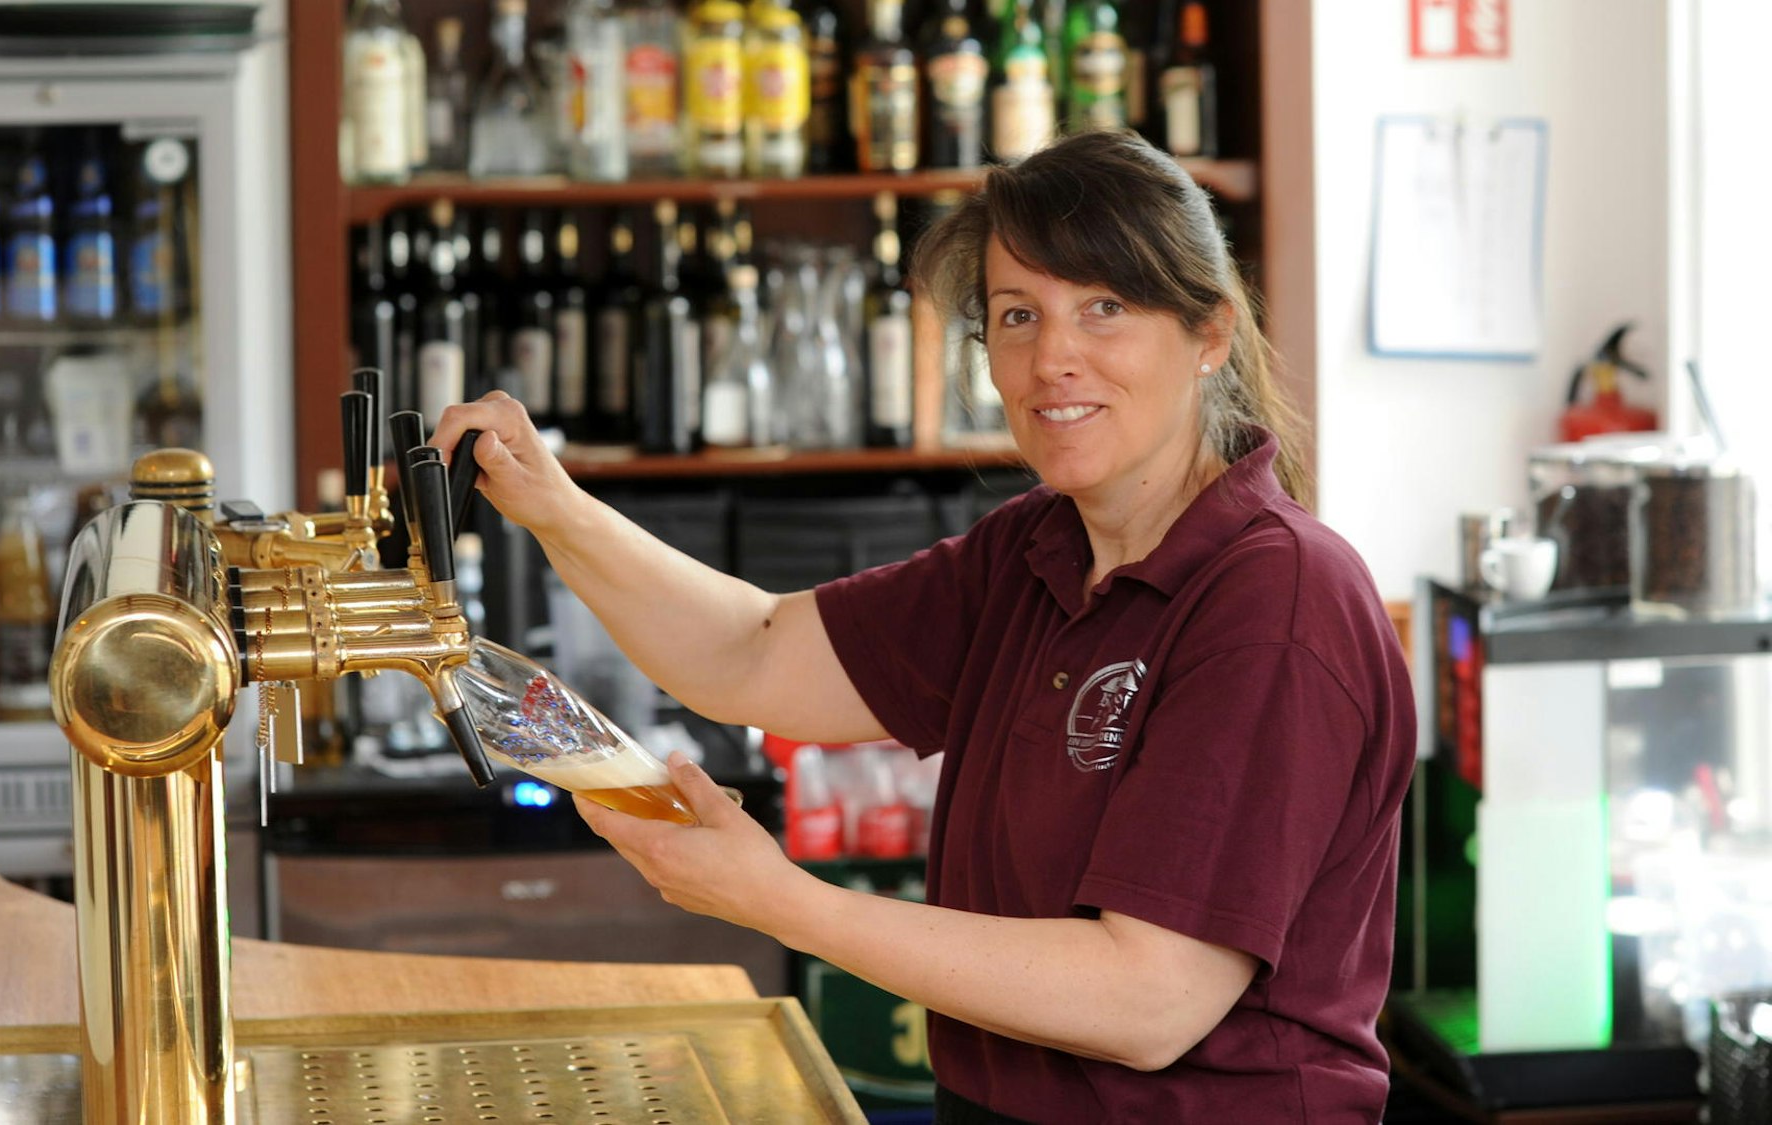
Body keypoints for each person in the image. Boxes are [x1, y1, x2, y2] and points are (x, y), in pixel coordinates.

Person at [431, 129, 1415, 1124]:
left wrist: (778, 901)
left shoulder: (1273, 602)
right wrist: (551, 504)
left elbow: (1148, 997)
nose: (1050, 360)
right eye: (1016, 316)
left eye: (1103, 309)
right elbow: (755, 651)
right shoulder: (1034, 552)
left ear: (1207, 334)